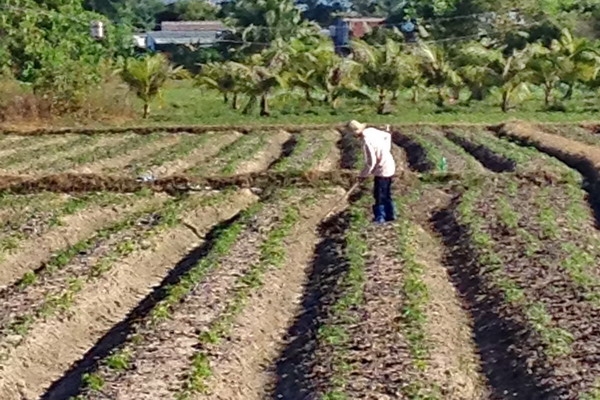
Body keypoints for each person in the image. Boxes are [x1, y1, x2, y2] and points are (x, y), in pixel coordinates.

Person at [346, 120, 397, 224]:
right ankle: (390, 215)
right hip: (389, 163)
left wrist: (362, 175)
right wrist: (385, 151)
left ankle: (380, 217)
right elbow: (387, 136)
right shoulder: (371, 130)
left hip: (382, 168)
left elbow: (371, 162)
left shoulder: (366, 141)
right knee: (386, 192)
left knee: (379, 194)